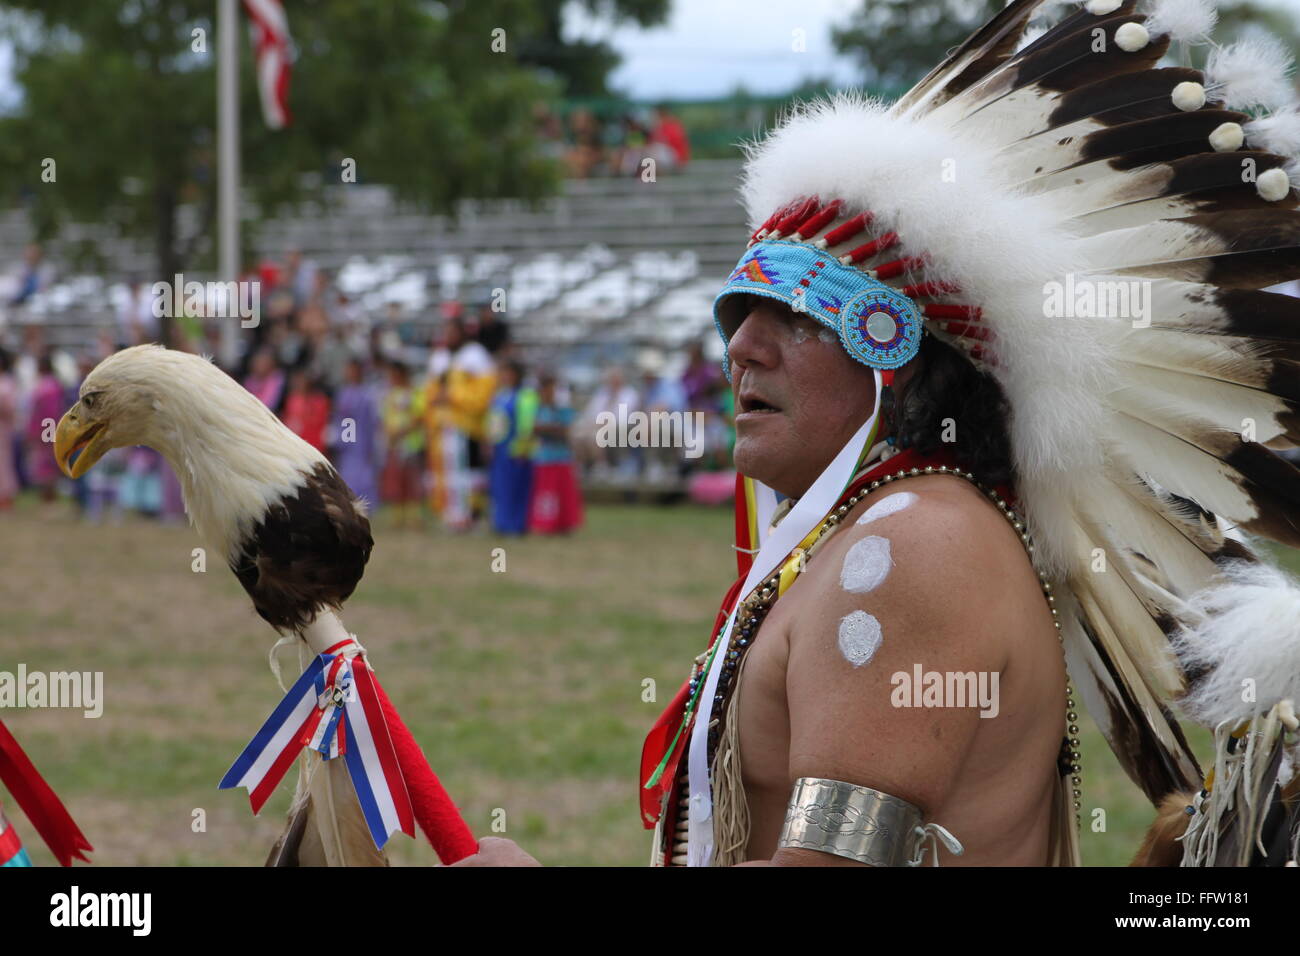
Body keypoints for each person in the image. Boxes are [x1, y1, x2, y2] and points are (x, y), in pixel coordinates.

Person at [452, 3, 1300, 868]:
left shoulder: (918, 548)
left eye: (798, 317)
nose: (742, 345)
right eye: (740, 313)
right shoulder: (884, 533)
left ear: (898, 356)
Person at [527, 371, 582, 535]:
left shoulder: (563, 409)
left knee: (563, 494)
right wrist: (551, 428)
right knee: (547, 495)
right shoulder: (539, 408)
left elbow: (566, 430)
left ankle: (564, 523)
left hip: (562, 458)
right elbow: (534, 429)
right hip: (545, 459)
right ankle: (546, 524)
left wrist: (547, 428)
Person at [486, 360, 536, 535]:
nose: (505, 376)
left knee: (517, 488)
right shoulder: (499, 395)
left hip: (516, 448)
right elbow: (493, 422)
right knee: (500, 487)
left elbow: (527, 425)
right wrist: (490, 442)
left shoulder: (525, 396)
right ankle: (501, 522)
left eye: (508, 373)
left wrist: (523, 448)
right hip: (500, 448)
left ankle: (517, 525)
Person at [331, 357, 381, 508]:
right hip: (349, 443)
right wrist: (344, 440)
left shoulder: (367, 395)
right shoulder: (344, 394)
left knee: (363, 475)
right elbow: (343, 419)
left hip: (362, 441)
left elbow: (370, 421)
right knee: (349, 474)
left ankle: (367, 505)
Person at [0, 348, 17, 509]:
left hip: (3, 429)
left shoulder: (6, 382)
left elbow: (10, 408)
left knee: (3, 464)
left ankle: (5, 498)